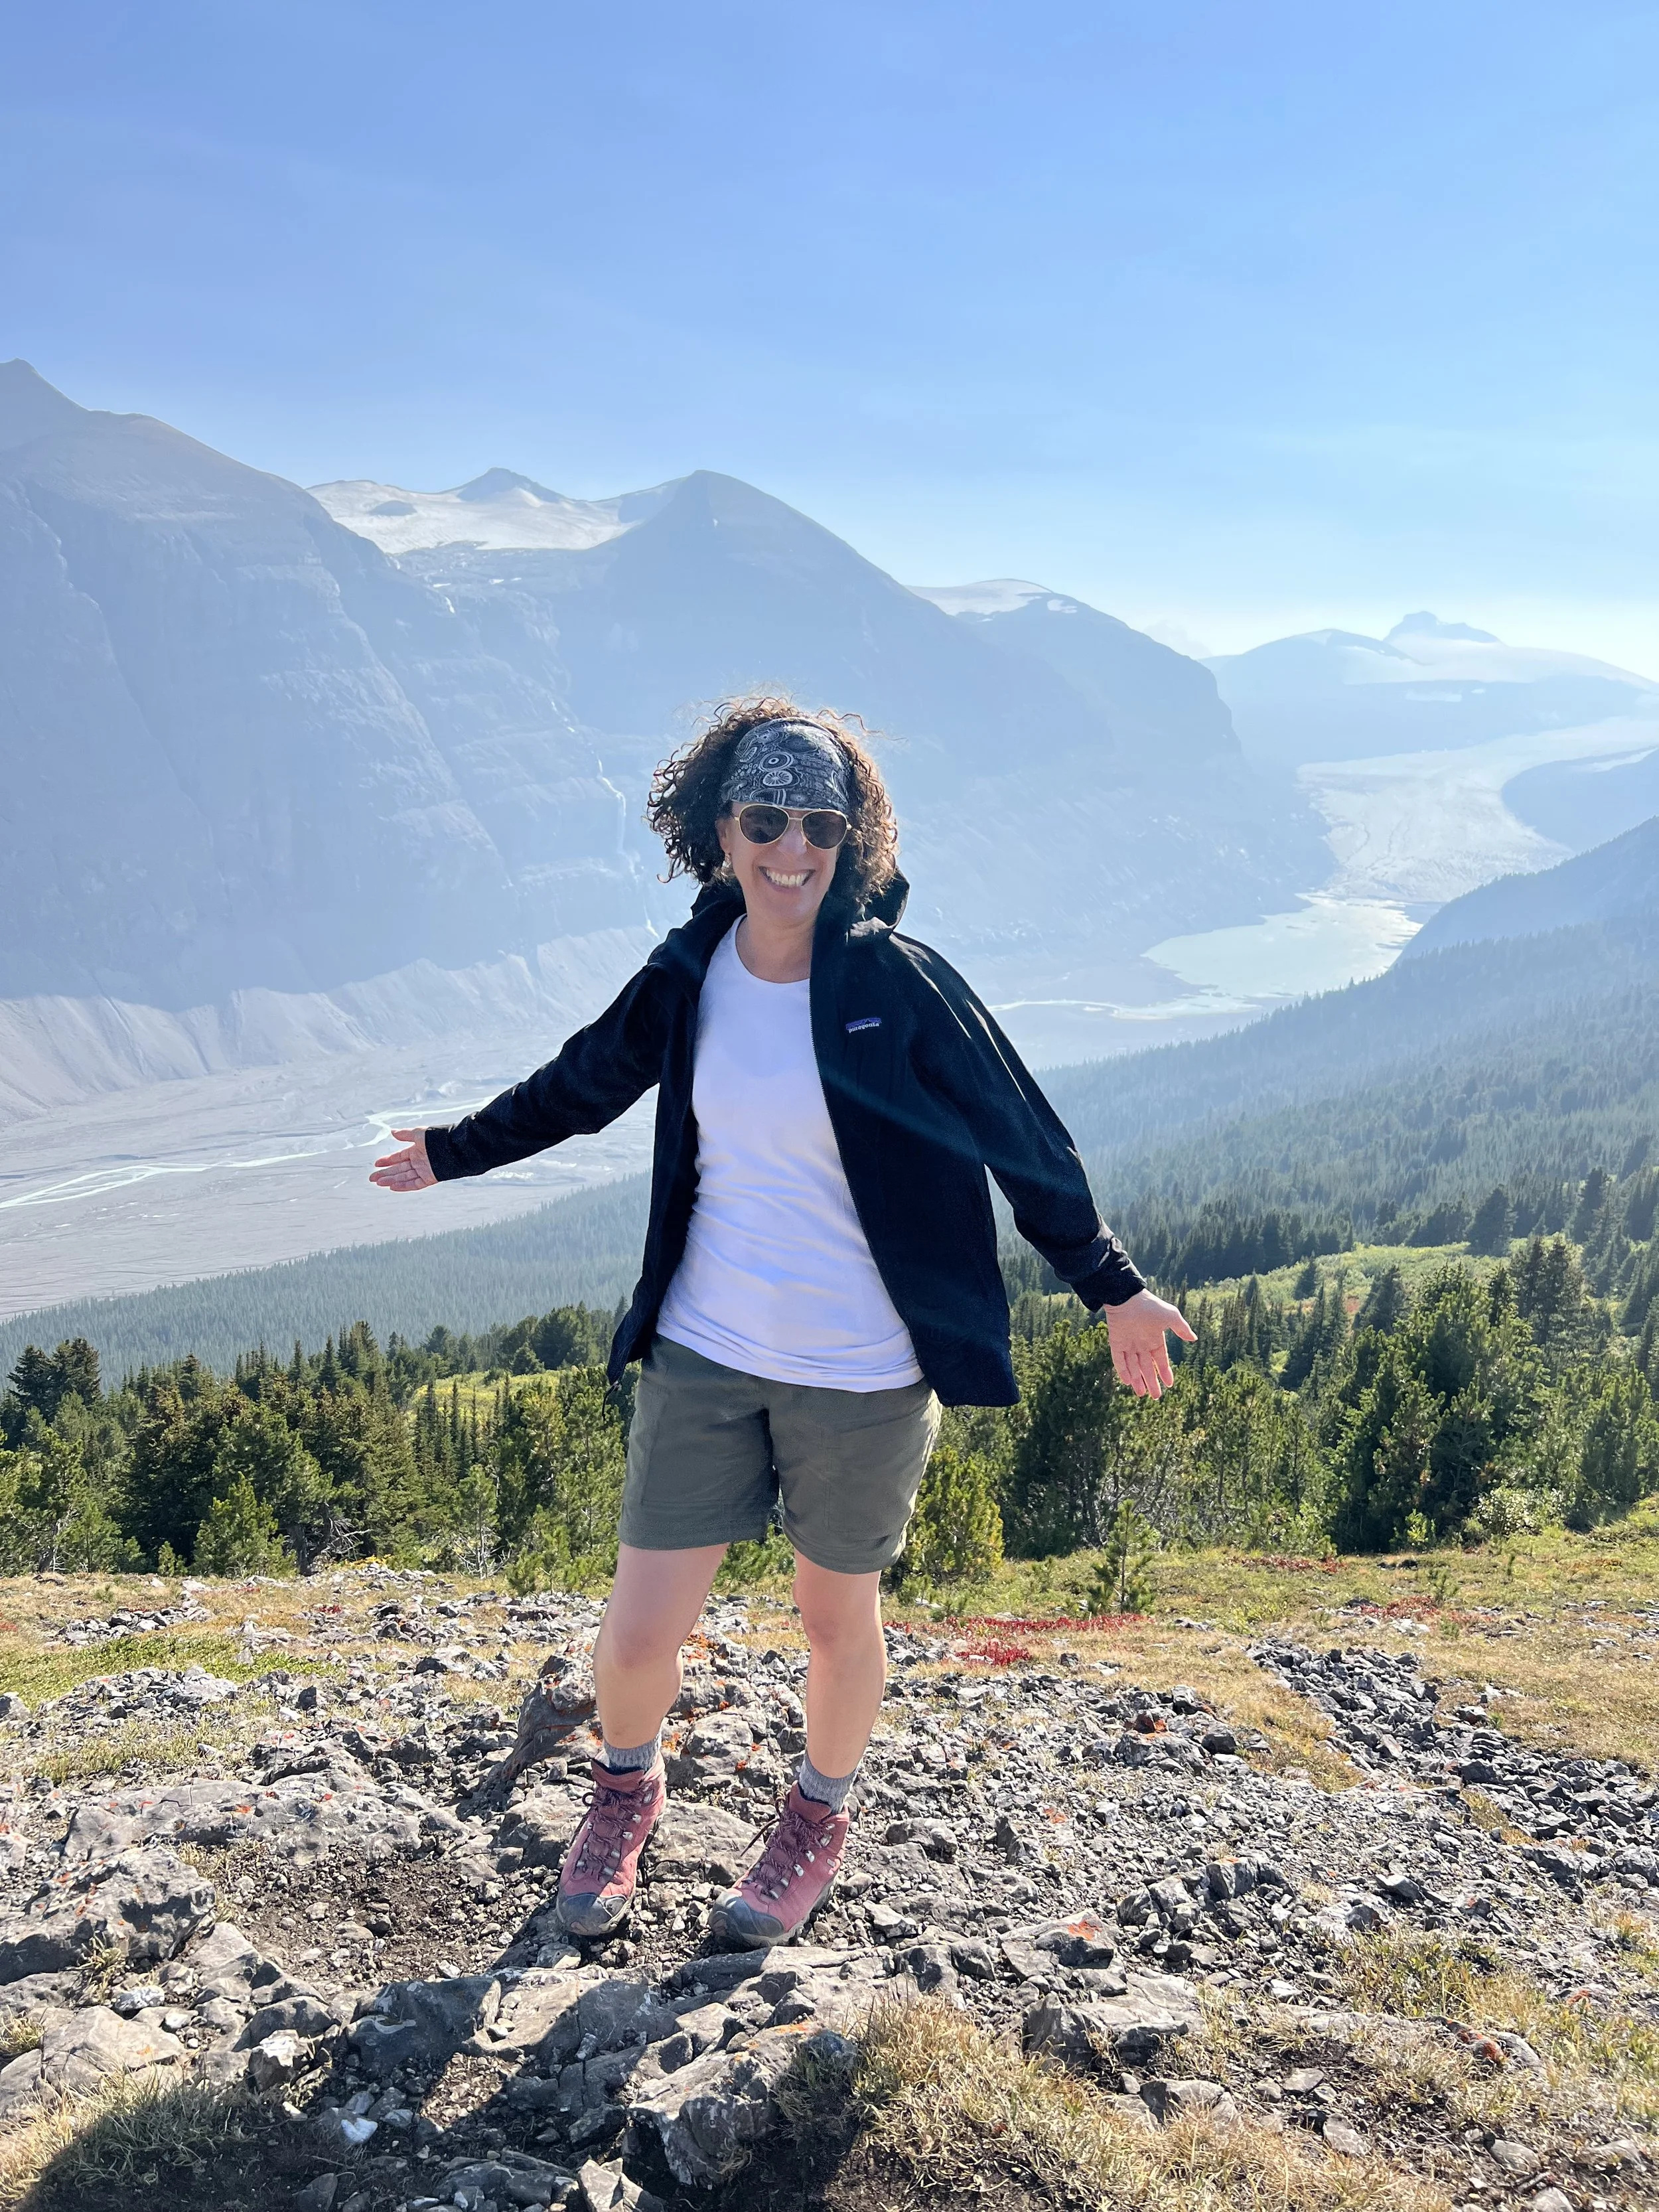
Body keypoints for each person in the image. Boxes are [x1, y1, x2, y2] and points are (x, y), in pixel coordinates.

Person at [370, 698, 1192, 1949]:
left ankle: (815, 1818)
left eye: (820, 823)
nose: (792, 848)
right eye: (766, 821)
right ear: (720, 830)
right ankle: (625, 1794)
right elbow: (585, 1082)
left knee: (832, 1619)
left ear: (853, 836)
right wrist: (453, 1151)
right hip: (706, 1350)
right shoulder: (691, 974)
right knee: (640, 1630)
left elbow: (1021, 1135)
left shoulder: (900, 986)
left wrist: (1113, 1285)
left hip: (862, 1372)